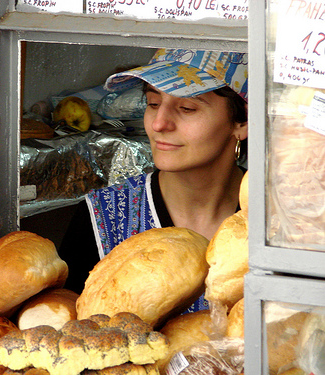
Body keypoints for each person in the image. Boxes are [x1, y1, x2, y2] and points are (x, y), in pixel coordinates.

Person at [58, 48, 249, 313]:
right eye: (153, 103)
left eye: (187, 107)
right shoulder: (103, 217)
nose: (159, 124)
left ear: (243, 121)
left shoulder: (276, 225)